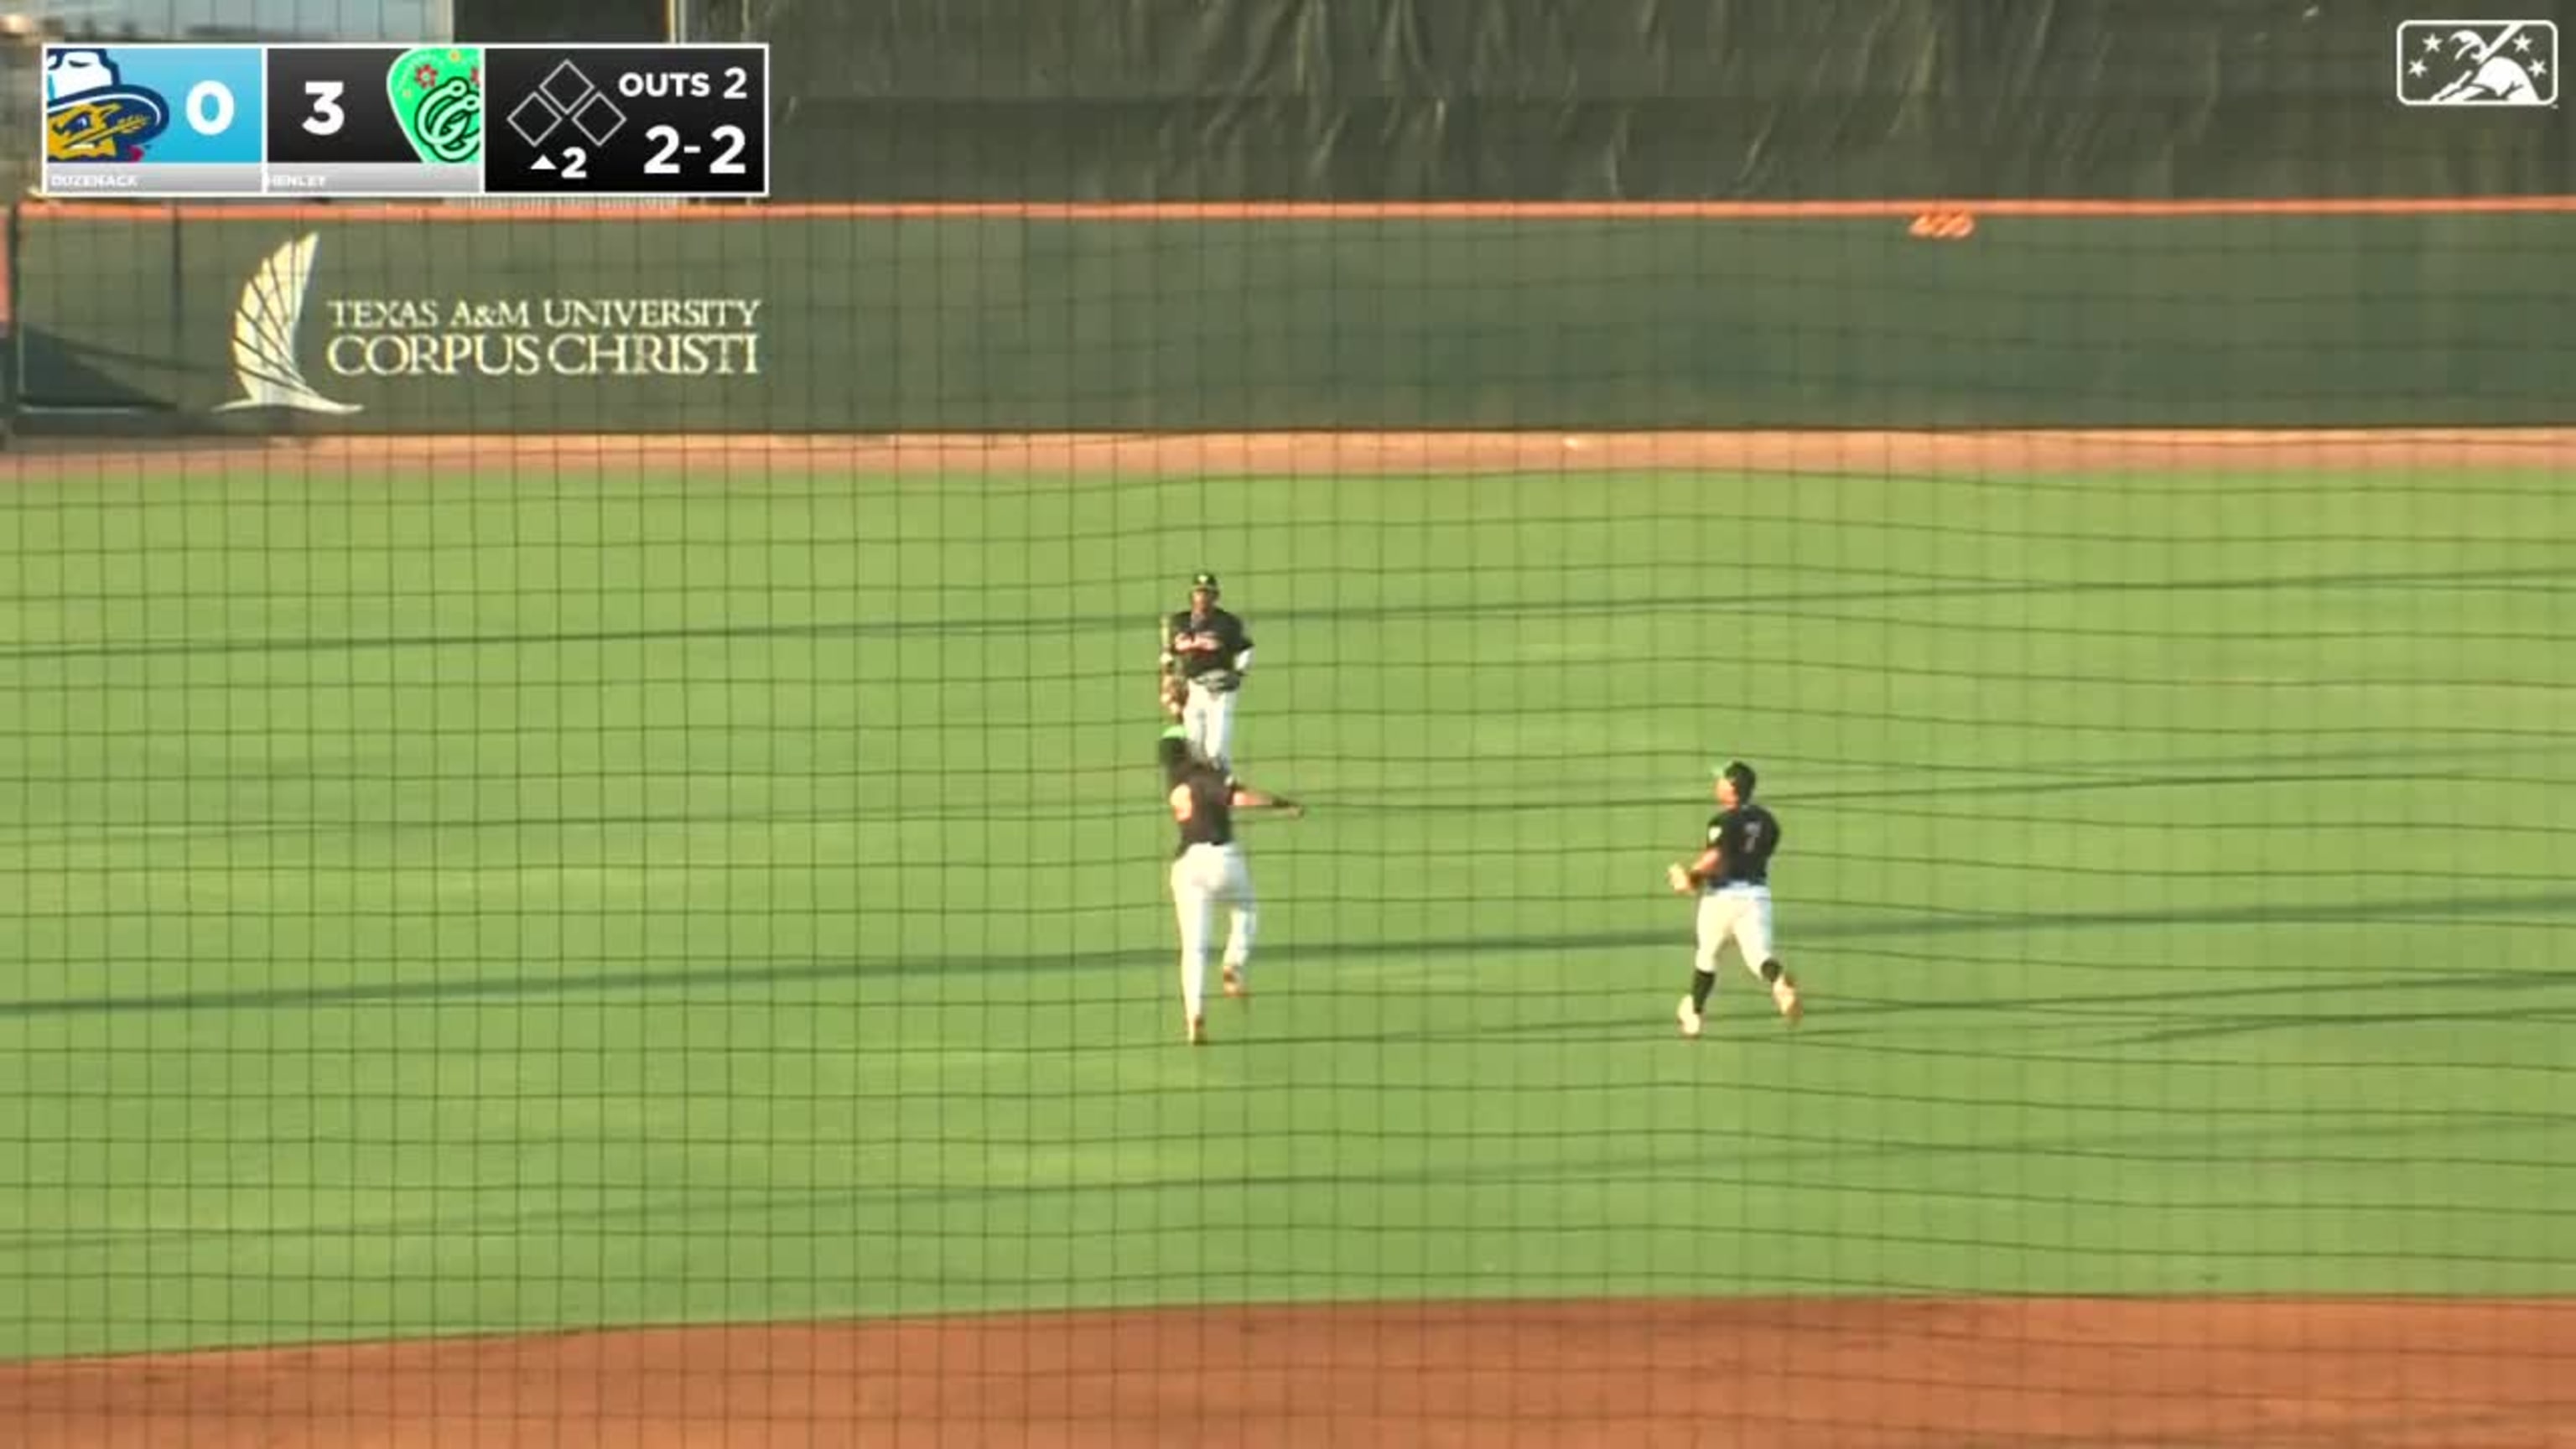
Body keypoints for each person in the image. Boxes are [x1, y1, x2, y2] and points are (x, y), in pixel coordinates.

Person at [1160, 725, 1301, 1044]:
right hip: (1222, 860)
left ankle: (1194, 1016)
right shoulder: (1203, 775)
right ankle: (1233, 964)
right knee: (1247, 909)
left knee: (1193, 950)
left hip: (1186, 869)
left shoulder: (1174, 782)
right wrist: (1280, 804)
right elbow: (1239, 798)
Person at [1665, 761, 1801, 1036]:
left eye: (1722, 781)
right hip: (1757, 896)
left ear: (1732, 788)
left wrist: (1691, 878)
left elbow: (1715, 857)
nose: (1717, 784)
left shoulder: (1721, 822)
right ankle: (1778, 984)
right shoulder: (1767, 820)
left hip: (1721, 900)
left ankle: (1695, 1014)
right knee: (1759, 957)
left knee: (1707, 956)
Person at [1161, 573, 1254, 776]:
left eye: (1208, 593)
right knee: (1193, 746)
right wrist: (1167, 683)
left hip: (1220, 691)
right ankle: (1200, 792)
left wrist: (1238, 673)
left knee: (1217, 748)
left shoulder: (1228, 623)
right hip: (1191, 690)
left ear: (1216, 596)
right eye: (1199, 592)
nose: (1203, 597)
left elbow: (1246, 649)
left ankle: (1223, 791)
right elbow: (1168, 654)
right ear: (1192, 595)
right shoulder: (1178, 622)